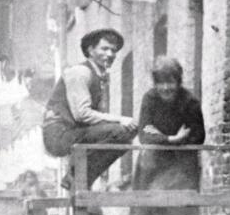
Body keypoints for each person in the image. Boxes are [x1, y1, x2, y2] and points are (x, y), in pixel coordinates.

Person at [42, 28, 137, 190]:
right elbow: (82, 114)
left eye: (113, 50)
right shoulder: (80, 72)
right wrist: (120, 119)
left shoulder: (98, 75)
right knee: (121, 131)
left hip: (73, 131)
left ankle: (77, 178)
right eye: (104, 48)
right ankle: (76, 177)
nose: (110, 54)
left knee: (126, 134)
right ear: (90, 50)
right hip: (59, 133)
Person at [134, 55, 206, 190]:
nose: (166, 88)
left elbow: (197, 136)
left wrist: (159, 136)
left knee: (179, 205)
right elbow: (145, 132)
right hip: (153, 163)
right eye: (161, 83)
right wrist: (171, 138)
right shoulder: (150, 99)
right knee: (148, 203)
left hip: (181, 164)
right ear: (155, 83)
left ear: (178, 82)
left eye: (170, 82)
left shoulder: (190, 102)